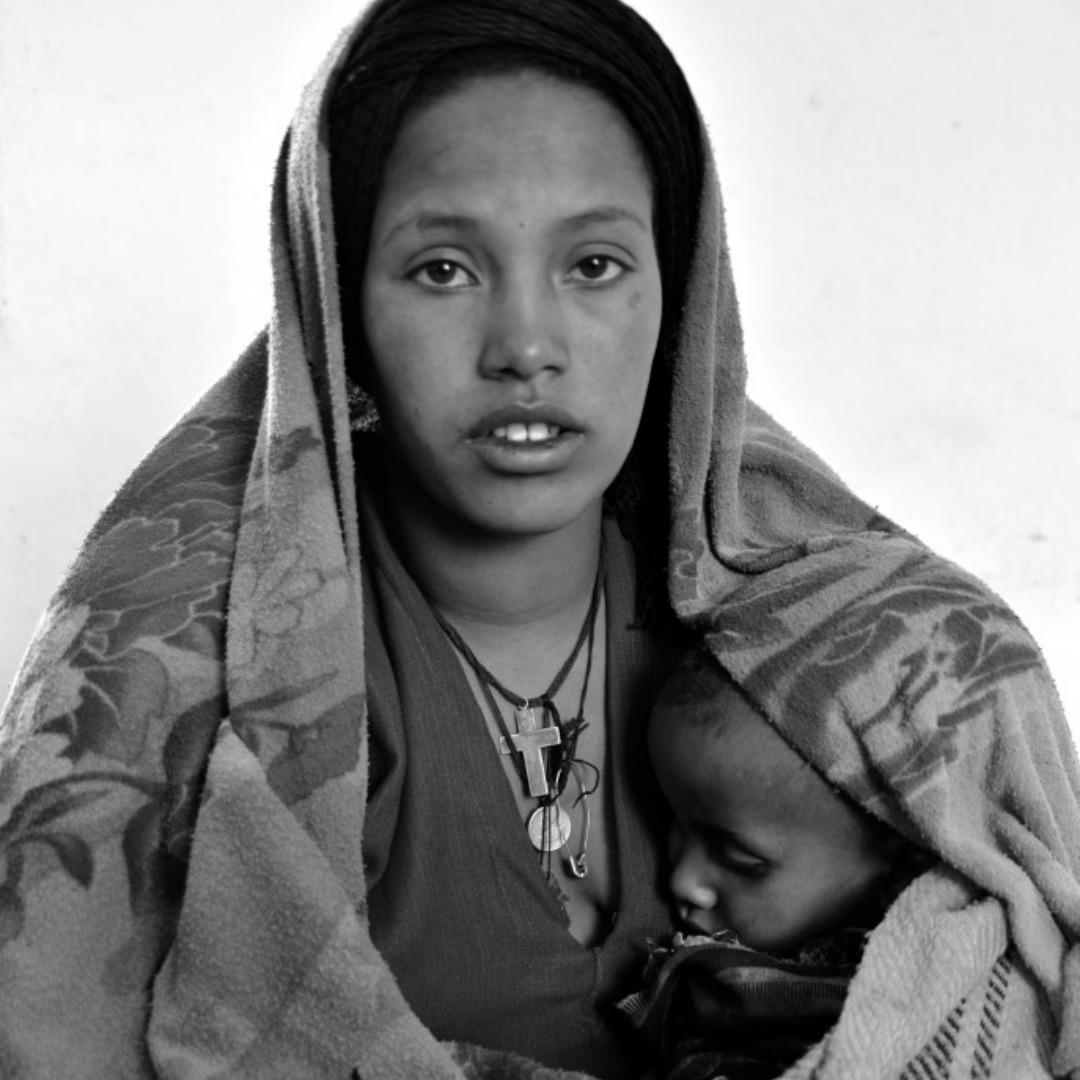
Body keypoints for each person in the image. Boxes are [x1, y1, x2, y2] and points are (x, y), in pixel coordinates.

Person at [0, 1, 1020, 1077]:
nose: (527, 347)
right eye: (444, 268)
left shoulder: (841, 649)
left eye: (594, 266)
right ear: (334, 307)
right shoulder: (196, 683)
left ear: (680, 293)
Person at [620, 535, 1080, 1079]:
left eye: (741, 859)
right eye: (673, 822)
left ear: (902, 851)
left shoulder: (942, 1002)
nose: (682, 878)